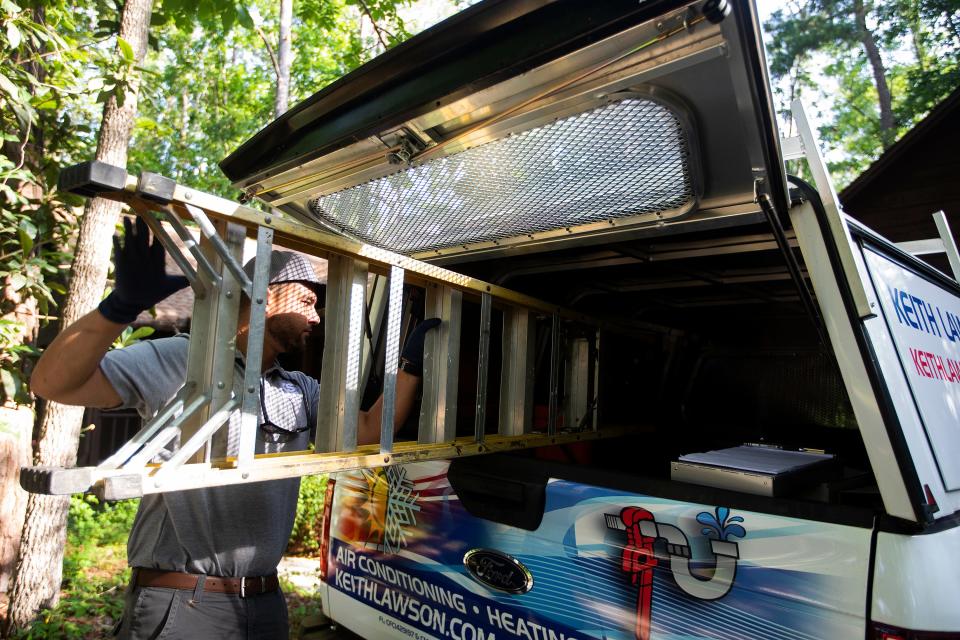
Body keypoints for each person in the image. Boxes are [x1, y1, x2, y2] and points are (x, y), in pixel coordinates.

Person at [31, 217, 438, 639]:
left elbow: (370, 430)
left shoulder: (299, 389)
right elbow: (51, 384)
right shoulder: (182, 361)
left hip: (265, 602)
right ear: (265, 297)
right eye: (306, 301)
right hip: (184, 601)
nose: (316, 318)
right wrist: (117, 309)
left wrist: (408, 367)